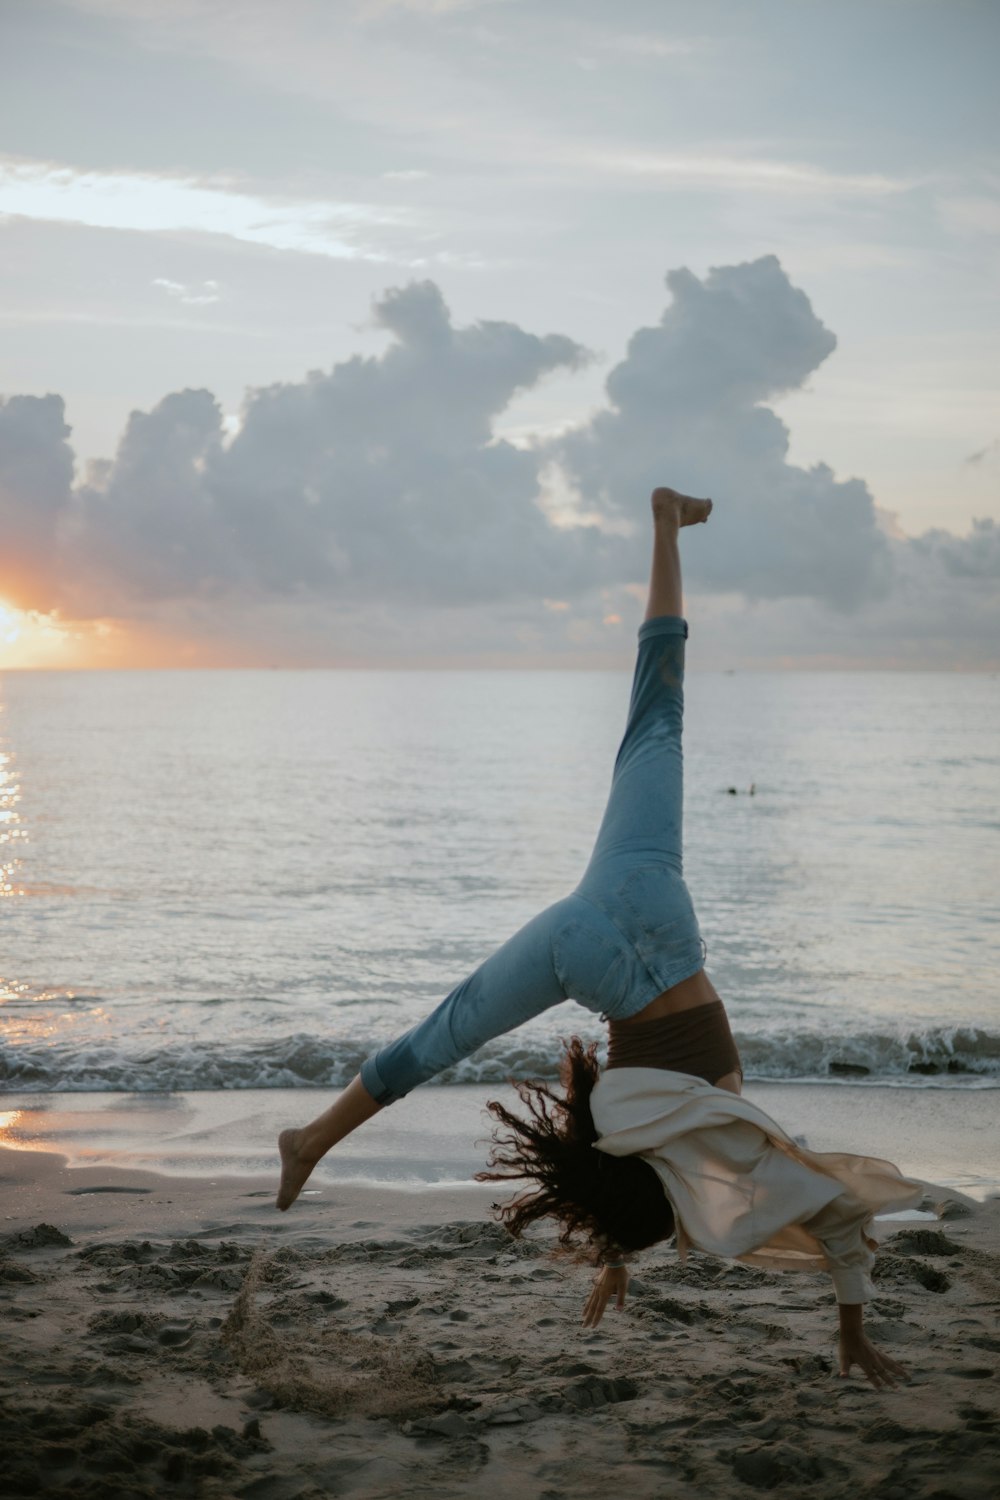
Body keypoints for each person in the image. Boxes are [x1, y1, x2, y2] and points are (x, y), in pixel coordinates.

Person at [277, 487, 921, 1389]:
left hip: (656, 906)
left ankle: (665, 522)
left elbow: (843, 1216)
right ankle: (309, 1141)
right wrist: (614, 1254)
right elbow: (615, 1167)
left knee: (658, 708)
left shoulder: (724, 1134)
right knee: (448, 1030)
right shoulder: (620, 1128)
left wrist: (850, 1328)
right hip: (583, 946)